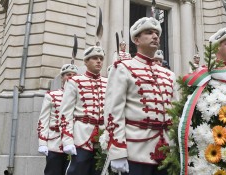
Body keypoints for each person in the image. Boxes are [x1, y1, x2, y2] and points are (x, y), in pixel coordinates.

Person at [104, 17, 177, 175]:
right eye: (149, 33)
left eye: (157, 33)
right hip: (135, 151)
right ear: (136, 39)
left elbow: (175, 113)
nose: (155, 36)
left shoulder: (169, 75)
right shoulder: (123, 68)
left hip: (167, 151)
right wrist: (117, 151)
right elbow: (113, 112)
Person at [60, 46, 107, 175]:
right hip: (81, 136)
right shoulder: (74, 82)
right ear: (86, 61)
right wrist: (67, 140)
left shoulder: (108, 82)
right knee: (78, 171)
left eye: (101, 58)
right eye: (94, 58)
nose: (99, 61)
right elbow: (65, 113)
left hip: (103, 137)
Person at [37, 64, 78, 175]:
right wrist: (42, 143)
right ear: (62, 77)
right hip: (55, 143)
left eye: (74, 75)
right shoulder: (51, 96)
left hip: (75, 142)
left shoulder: (80, 97)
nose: (71, 77)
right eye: (68, 75)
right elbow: (43, 120)